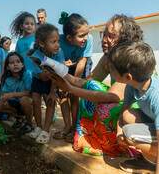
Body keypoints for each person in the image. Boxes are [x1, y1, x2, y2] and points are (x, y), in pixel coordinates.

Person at [48, 14, 144, 156]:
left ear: (125, 39)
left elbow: (112, 96)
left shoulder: (131, 59)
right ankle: (92, 137)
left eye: (111, 36)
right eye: (103, 34)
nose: (104, 40)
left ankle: (111, 143)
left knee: (107, 106)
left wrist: (71, 88)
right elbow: (88, 82)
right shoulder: (108, 58)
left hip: (138, 110)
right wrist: (61, 74)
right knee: (91, 88)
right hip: (119, 102)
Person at [108, 41, 159, 174]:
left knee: (130, 134)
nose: (110, 71)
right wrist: (118, 132)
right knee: (127, 117)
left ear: (127, 76)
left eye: (111, 69)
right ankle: (151, 160)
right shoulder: (132, 86)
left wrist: (124, 135)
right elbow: (123, 112)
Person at [53, 12, 93, 143]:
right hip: (62, 66)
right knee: (62, 95)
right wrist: (63, 84)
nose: (86, 38)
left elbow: (82, 62)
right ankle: (67, 127)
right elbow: (57, 64)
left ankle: (76, 128)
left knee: (75, 95)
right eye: (81, 36)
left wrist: (73, 85)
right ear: (69, 38)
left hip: (81, 66)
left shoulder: (89, 40)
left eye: (87, 33)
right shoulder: (58, 42)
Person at [27, 23, 65, 144]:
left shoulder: (59, 53)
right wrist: (40, 74)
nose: (57, 45)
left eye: (58, 41)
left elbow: (57, 74)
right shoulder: (35, 54)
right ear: (42, 44)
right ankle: (38, 127)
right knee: (36, 101)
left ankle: (46, 131)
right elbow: (36, 72)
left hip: (53, 80)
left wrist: (53, 91)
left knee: (50, 102)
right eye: (53, 42)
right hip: (38, 78)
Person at [0, 52, 33, 134]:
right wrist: (3, 99)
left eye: (18, 62)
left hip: (27, 103)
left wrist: (12, 94)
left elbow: (29, 93)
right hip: (15, 104)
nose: (15, 64)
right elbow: (4, 95)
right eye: (12, 63)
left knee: (24, 100)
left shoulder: (27, 74)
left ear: (22, 65)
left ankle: (29, 123)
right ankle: (19, 118)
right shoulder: (7, 79)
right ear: (8, 67)